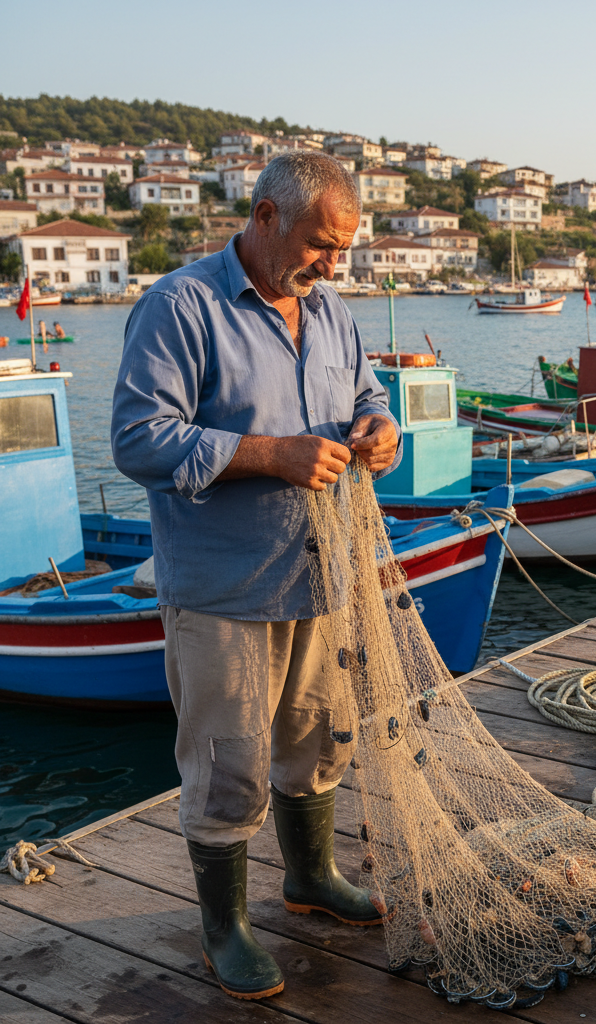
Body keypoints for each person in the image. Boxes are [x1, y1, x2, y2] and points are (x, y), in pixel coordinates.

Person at [111, 152, 402, 1001]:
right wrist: (268, 454)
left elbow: (368, 390)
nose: (331, 265)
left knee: (317, 741)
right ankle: (224, 928)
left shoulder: (333, 310)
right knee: (227, 763)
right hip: (224, 590)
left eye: (342, 250)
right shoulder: (179, 306)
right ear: (265, 216)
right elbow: (138, 438)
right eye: (319, 244)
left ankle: (309, 879)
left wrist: (378, 425)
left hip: (321, 575)